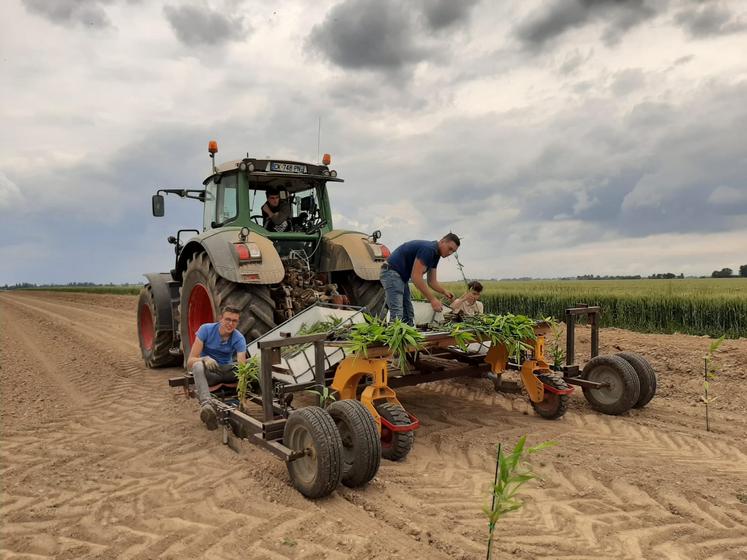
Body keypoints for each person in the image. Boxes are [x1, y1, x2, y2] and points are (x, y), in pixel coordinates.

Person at [186, 306, 247, 430]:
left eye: (234, 321)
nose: (230, 324)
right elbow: (190, 361)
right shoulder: (206, 330)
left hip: (226, 371)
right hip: (210, 373)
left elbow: (242, 369)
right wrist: (205, 359)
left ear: (238, 322)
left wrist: (243, 399)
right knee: (197, 365)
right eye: (227, 319)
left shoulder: (239, 338)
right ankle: (207, 405)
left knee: (250, 365)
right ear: (220, 319)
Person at [380, 233, 460, 325]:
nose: (450, 253)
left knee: (408, 313)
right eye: (449, 248)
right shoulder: (429, 249)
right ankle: (393, 336)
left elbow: (431, 281)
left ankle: (407, 335)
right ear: (442, 241)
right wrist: (433, 300)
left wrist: (444, 291)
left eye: (453, 251)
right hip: (391, 272)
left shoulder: (436, 255)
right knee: (397, 313)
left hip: (401, 276)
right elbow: (416, 277)